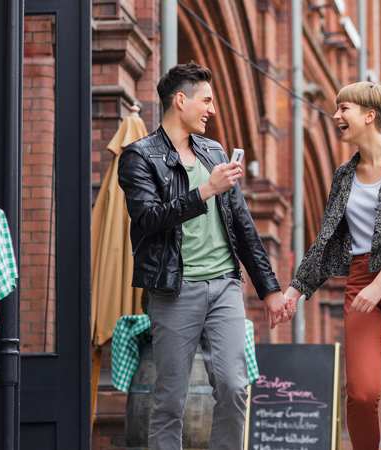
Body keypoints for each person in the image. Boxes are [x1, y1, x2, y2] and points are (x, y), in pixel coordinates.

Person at [118, 62, 290, 450]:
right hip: (175, 290)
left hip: (225, 287)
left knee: (233, 386)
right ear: (180, 100)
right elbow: (147, 219)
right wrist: (204, 192)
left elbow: (243, 225)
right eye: (206, 100)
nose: (212, 109)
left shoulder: (213, 152)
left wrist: (270, 290)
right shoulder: (139, 157)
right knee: (170, 400)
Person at [282, 81, 381, 450]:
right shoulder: (344, 175)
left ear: (370, 116)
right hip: (360, 278)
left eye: (344, 109)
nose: (336, 116)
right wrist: (294, 291)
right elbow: (326, 241)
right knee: (363, 392)